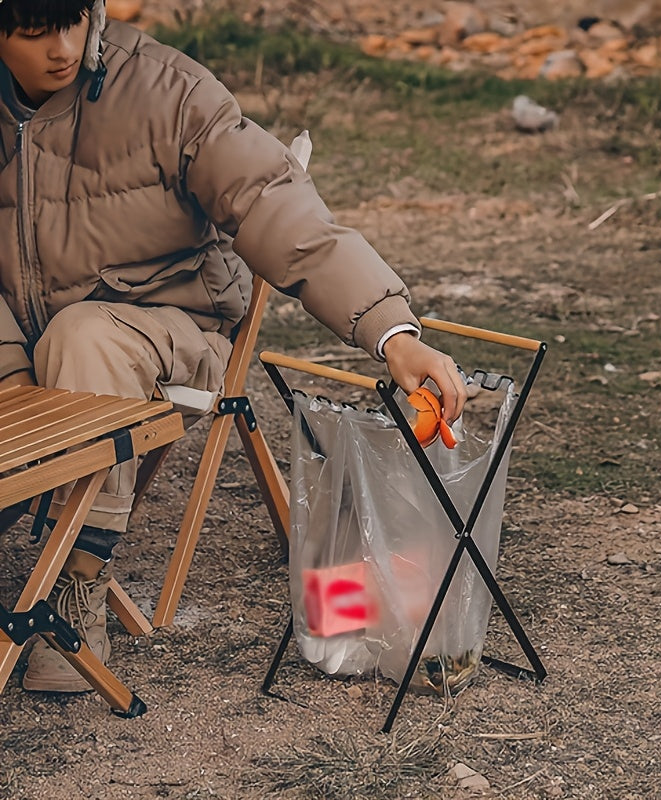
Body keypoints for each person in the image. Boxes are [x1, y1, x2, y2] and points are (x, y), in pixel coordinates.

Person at [0, 0, 467, 693]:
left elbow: (281, 210)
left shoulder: (170, 92)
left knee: (84, 334)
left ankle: (76, 585)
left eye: (75, 20)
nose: (63, 47)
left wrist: (390, 331)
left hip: (172, 334)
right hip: (27, 349)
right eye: (34, 31)